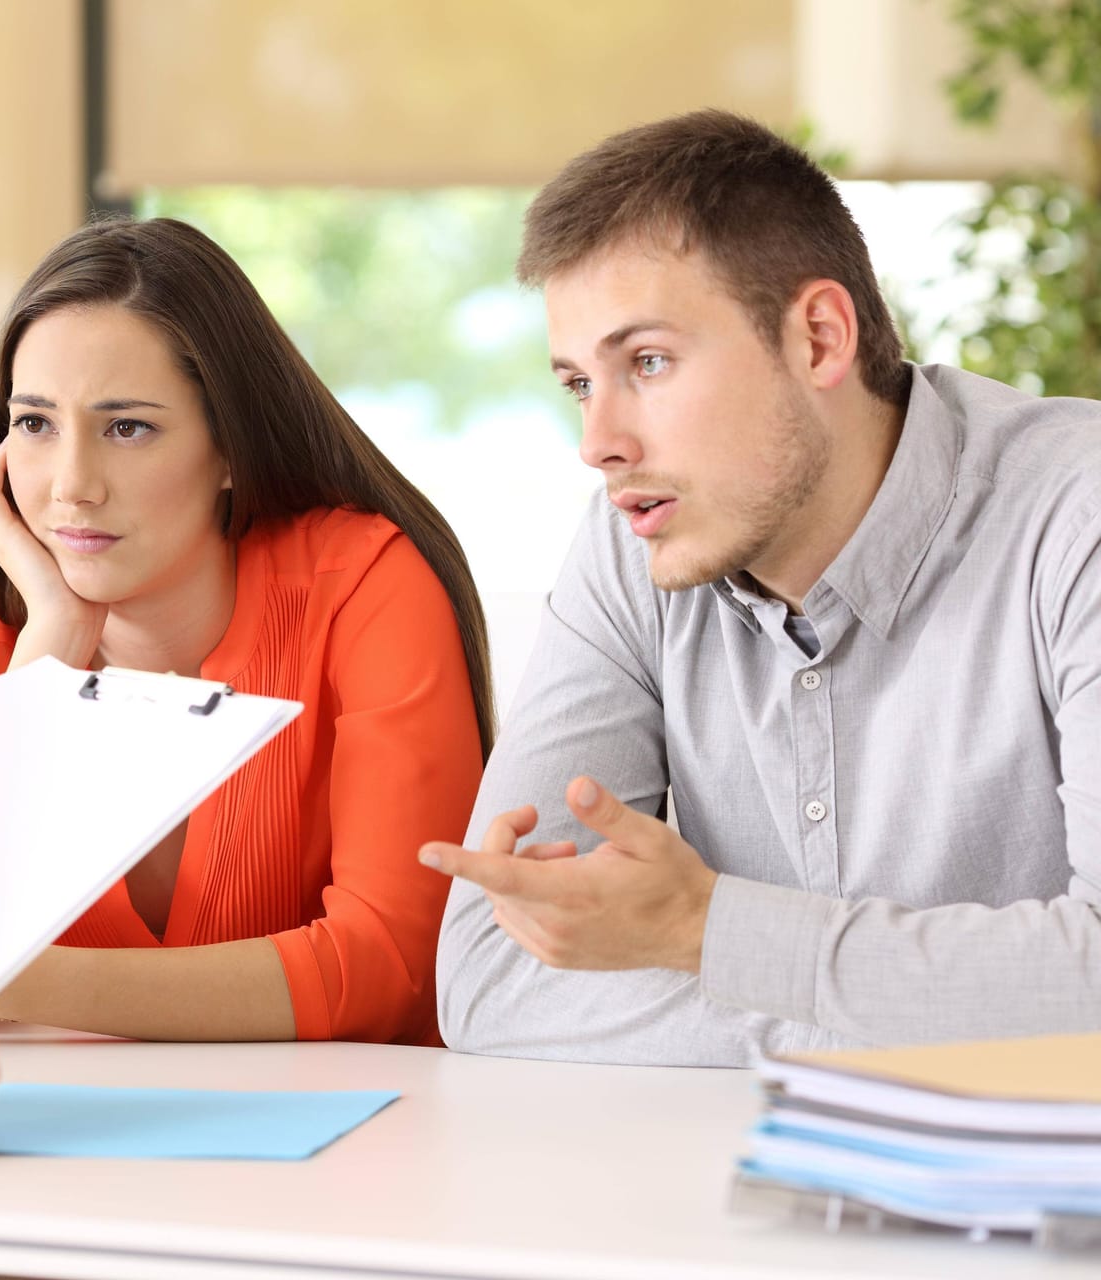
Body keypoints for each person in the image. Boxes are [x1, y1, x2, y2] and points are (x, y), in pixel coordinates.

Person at [420, 110, 1101, 1066]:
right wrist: (917, 1007)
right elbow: (494, 979)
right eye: (579, 383)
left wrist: (708, 939)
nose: (597, 442)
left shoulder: (1079, 517)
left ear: (819, 338)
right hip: (732, 1193)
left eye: (646, 362)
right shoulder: (636, 543)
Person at [0, 217, 490, 1046]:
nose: (71, 486)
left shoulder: (363, 587)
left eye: (127, 427)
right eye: (35, 424)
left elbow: (393, 966)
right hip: (43, 1149)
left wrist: (19, 978)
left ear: (230, 446)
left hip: (350, 1147)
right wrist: (48, 650)